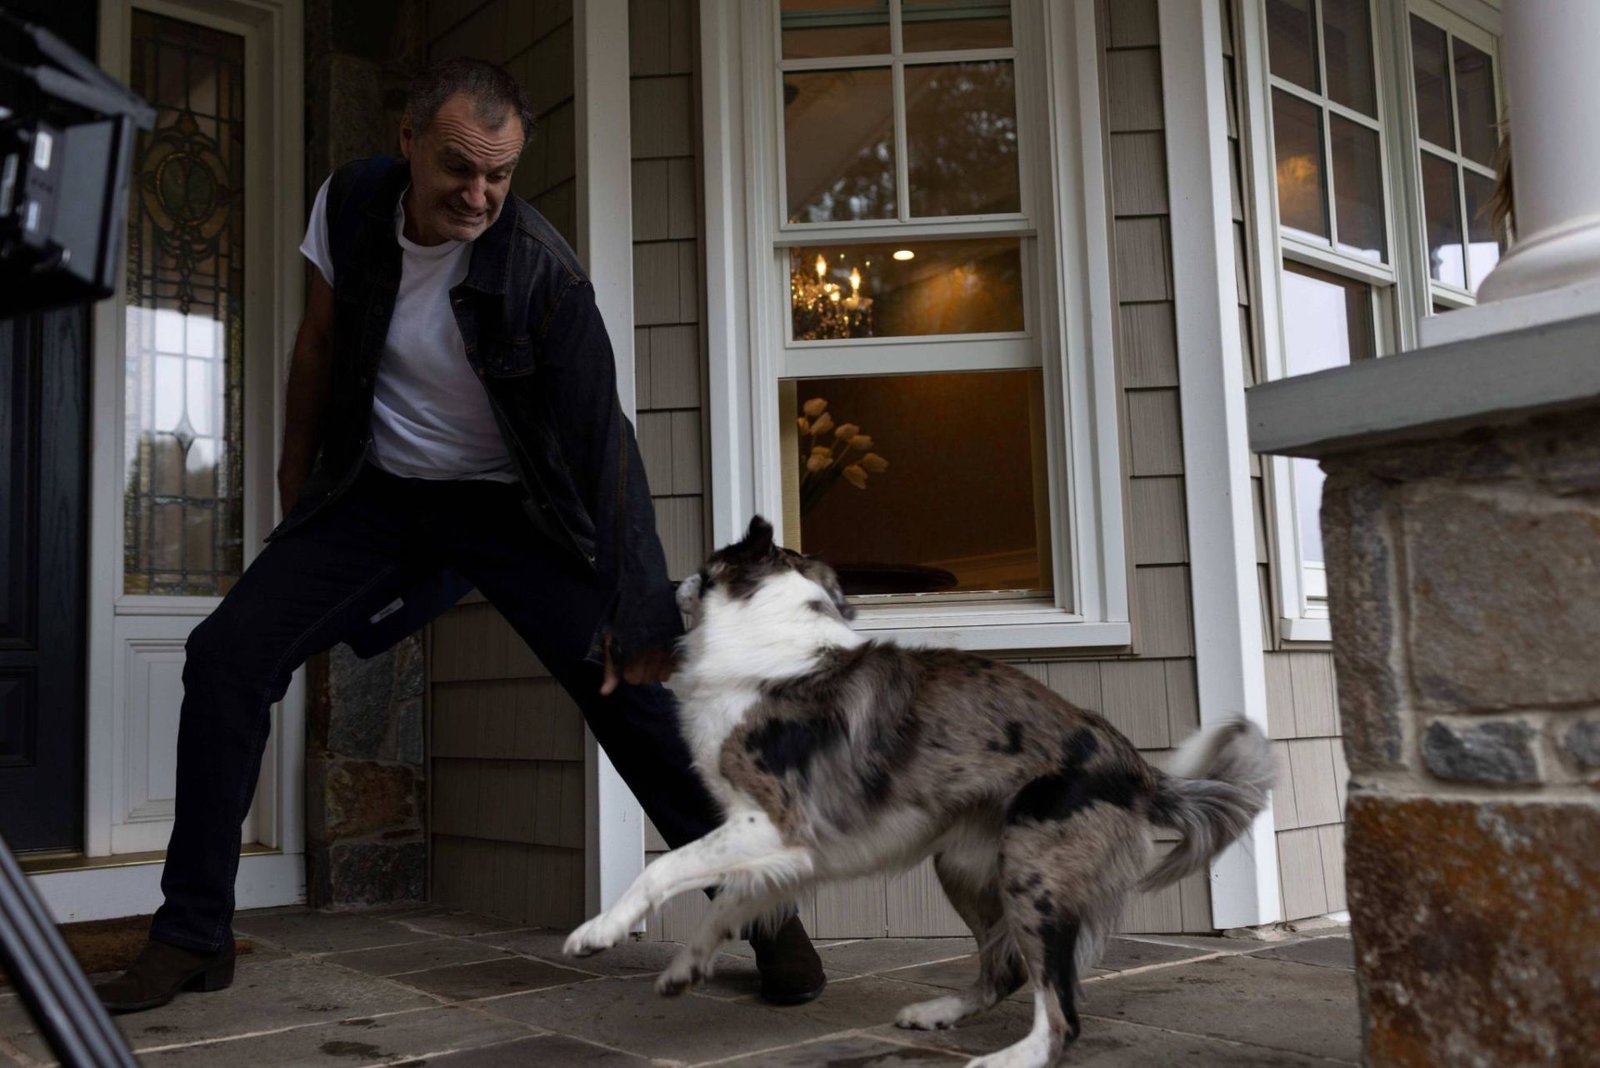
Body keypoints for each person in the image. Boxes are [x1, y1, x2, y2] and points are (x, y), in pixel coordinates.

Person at [95, 57, 824, 1013]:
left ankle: (768, 921)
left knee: (635, 704)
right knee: (226, 656)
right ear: (406, 142)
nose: (477, 195)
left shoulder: (547, 282)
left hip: (516, 508)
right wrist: (295, 496)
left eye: (499, 176)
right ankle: (192, 935)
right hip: (379, 494)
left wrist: (640, 616)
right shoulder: (353, 204)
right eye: (456, 169)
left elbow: (608, 454)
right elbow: (317, 343)